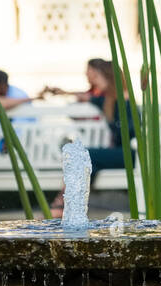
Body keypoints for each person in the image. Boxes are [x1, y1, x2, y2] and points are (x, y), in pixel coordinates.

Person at [50, 58, 136, 217]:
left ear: (107, 77)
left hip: (132, 153)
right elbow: (86, 97)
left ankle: (63, 205)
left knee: (84, 154)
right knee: (85, 159)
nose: (94, 82)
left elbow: (132, 130)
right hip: (119, 152)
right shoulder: (107, 100)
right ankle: (67, 206)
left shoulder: (124, 99)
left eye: (97, 77)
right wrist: (62, 92)